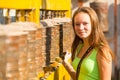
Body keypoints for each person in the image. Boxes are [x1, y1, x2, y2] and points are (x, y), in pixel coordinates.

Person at [62, 7, 114, 80]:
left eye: (85, 23)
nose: (81, 27)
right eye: (77, 24)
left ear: (93, 24)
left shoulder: (102, 51)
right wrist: (66, 64)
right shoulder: (79, 47)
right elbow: (79, 77)